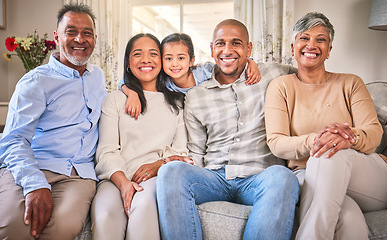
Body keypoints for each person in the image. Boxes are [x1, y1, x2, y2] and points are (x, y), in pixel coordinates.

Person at [156, 19, 300, 240]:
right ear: (212, 49)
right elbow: (197, 151)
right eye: (221, 43)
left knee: (283, 177)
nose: (227, 50)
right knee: (170, 172)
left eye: (236, 43)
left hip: (259, 177)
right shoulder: (196, 96)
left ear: (249, 49)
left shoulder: (274, 74)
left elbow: (311, 75)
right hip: (215, 179)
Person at [265, 12, 387, 240]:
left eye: (321, 39)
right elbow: (277, 142)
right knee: (347, 218)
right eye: (305, 38)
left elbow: (373, 133)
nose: (312, 45)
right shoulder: (281, 86)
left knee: (329, 155)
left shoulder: (351, 82)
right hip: (306, 174)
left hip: (365, 175)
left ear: (329, 49)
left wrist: (349, 138)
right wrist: (316, 140)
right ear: (293, 47)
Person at [0, 3, 106, 240]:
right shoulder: (36, 81)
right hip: (36, 163)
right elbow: (15, 138)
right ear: (57, 36)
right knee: (12, 225)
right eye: (71, 31)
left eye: (87, 32)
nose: (80, 38)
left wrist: (130, 90)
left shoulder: (99, 77)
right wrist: (34, 184)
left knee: (63, 226)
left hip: (78, 173)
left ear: (95, 39)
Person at [91, 33, 189, 240]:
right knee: (104, 215)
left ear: (162, 61)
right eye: (138, 54)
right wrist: (123, 183)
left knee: (144, 206)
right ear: (128, 62)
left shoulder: (178, 104)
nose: (146, 60)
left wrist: (159, 165)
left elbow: (181, 153)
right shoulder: (115, 100)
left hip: (155, 177)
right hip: (115, 176)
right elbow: (106, 150)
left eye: (153, 54)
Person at [120, 32, 261, 119]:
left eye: (181, 58)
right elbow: (125, 80)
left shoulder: (204, 72)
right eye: (168, 59)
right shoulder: (164, 80)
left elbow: (228, 65)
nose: (174, 64)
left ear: (191, 61)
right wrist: (132, 94)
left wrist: (250, 62)